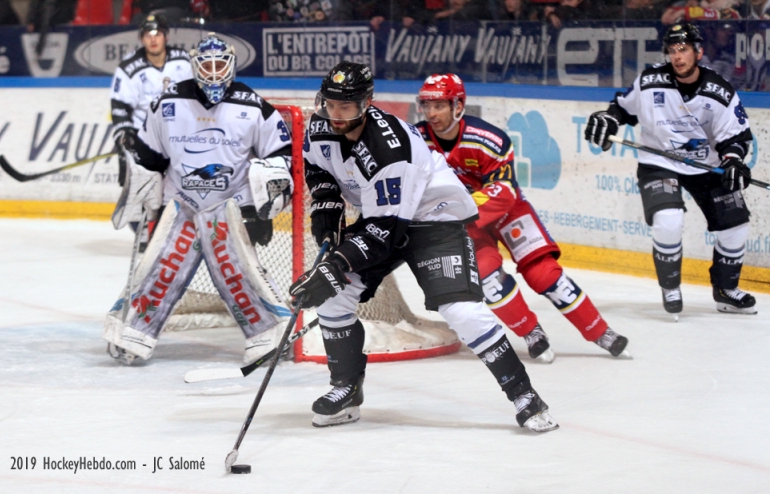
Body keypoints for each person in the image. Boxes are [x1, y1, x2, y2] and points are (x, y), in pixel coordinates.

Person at [287, 61, 558, 433]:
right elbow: (318, 168)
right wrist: (327, 207)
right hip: (384, 216)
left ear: (367, 102)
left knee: (461, 310)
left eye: (345, 107)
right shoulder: (321, 124)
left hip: (434, 221)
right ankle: (346, 390)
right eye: (330, 104)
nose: (335, 115)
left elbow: (384, 234)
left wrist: (334, 267)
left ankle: (525, 395)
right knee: (337, 297)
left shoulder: (390, 149)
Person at [103, 33, 295, 366]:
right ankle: (133, 332)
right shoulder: (168, 103)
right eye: (207, 64)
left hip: (230, 208)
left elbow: (279, 156)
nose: (215, 71)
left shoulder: (253, 106)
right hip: (182, 206)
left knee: (238, 272)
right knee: (161, 268)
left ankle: (271, 336)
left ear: (232, 65)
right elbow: (151, 157)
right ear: (194, 66)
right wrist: (144, 189)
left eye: (221, 63)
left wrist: (261, 211)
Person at [416, 74, 629, 363]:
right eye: (426, 106)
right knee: (486, 278)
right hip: (463, 221)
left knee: (546, 274)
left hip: (503, 211)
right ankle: (531, 332)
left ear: (458, 105)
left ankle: (600, 331)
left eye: (439, 105)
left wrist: (453, 211)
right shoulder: (416, 141)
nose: (431, 114)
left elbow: (504, 193)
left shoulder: (488, 139)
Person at [584, 23, 757, 317]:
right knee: (669, 219)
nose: (678, 57)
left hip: (707, 167)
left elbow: (736, 138)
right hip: (659, 162)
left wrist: (733, 161)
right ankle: (671, 287)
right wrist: (610, 119)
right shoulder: (650, 80)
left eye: (684, 50)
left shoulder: (719, 91)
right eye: (673, 50)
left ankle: (726, 291)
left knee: (736, 225)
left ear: (698, 52)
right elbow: (623, 108)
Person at [109, 14, 192, 250]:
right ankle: (146, 236)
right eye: (148, 35)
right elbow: (119, 105)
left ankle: (174, 233)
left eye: (157, 34)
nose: (153, 39)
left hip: (178, 136)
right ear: (142, 38)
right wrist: (125, 133)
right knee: (141, 189)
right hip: (143, 139)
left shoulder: (184, 61)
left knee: (181, 186)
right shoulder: (129, 67)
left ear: (166, 35)